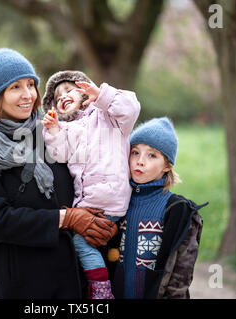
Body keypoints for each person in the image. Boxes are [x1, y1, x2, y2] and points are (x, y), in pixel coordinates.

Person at [0, 48, 118, 299]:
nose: (28, 95)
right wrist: (67, 218)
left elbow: (89, 179)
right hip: (25, 284)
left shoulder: (54, 132)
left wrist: (103, 220)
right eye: (15, 87)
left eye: (31, 84)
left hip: (74, 282)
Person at [41, 70, 141, 298]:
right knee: (85, 242)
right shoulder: (68, 129)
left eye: (68, 89)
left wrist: (102, 95)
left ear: (85, 90)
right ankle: (101, 285)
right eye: (57, 97)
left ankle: (101, 288)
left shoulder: (106, 116)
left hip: (109, 196)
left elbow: (131, 108)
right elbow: (59, 155)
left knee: (82, 243)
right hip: (87, 201)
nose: (63, 96)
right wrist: (54, 130)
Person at [110, 117, 208, 299]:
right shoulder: (117, 204)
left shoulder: (177, 211)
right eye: (135, 152)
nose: (140, 161)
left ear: (167, 165)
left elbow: (181, 276)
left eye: (151, 155)